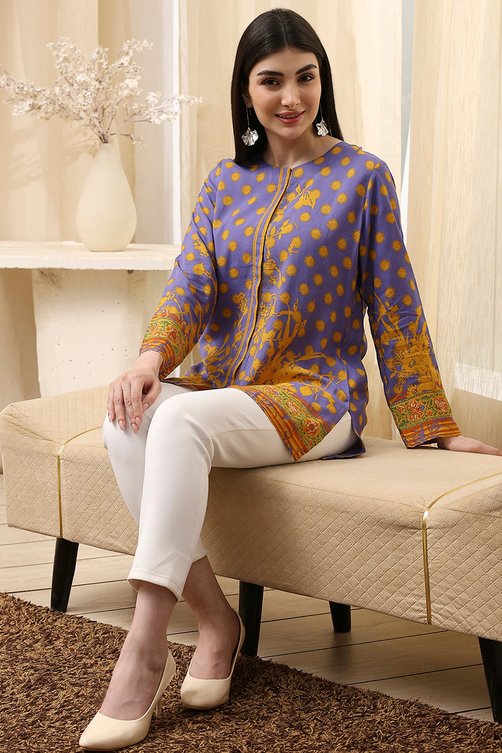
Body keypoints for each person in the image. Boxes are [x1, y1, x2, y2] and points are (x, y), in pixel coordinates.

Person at [79, 8, 501, 750]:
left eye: (306, 77)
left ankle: (144, 648)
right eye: (271, 81)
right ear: (246, 92)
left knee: (176, 420)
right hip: (225, 389)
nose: (291, 97)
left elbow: (395, 306)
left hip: (316, 398)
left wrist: (434, 428)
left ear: (321, 81)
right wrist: (148, 362)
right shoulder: (225, 184)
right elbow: (191, 289)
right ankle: (217, 621)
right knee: (129, 416)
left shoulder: (363, 178)